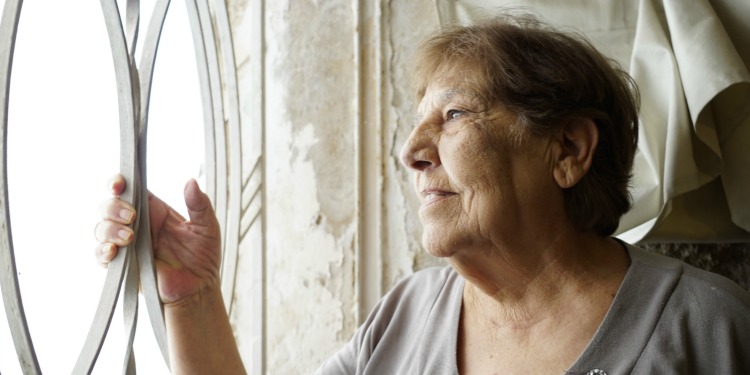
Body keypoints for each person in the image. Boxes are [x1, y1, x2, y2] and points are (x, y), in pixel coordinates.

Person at [94, 12, 750, 374]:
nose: (411, 151)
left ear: (568, 150)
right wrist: (193, 292)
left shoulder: (710, 329)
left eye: (455, 116)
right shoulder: (406, 318)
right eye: (415, 124)